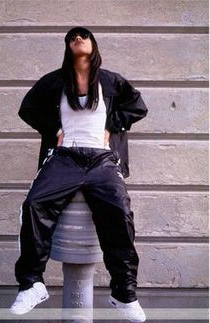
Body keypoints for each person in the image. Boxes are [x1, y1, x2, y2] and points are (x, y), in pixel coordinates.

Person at [10, 26, 148, 322]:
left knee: (120, 211)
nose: (78, 38)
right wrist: (53, 129)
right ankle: (31, 284)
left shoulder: (111, 80)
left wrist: (113, 126)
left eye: (83, 35)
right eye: (72, 36)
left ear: (93, 44)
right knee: (34, 205)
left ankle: (124, 293)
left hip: (101, 161)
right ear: (67, 47)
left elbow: (138, 106)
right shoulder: (56, 81)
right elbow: (28, 108)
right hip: (64, 158)